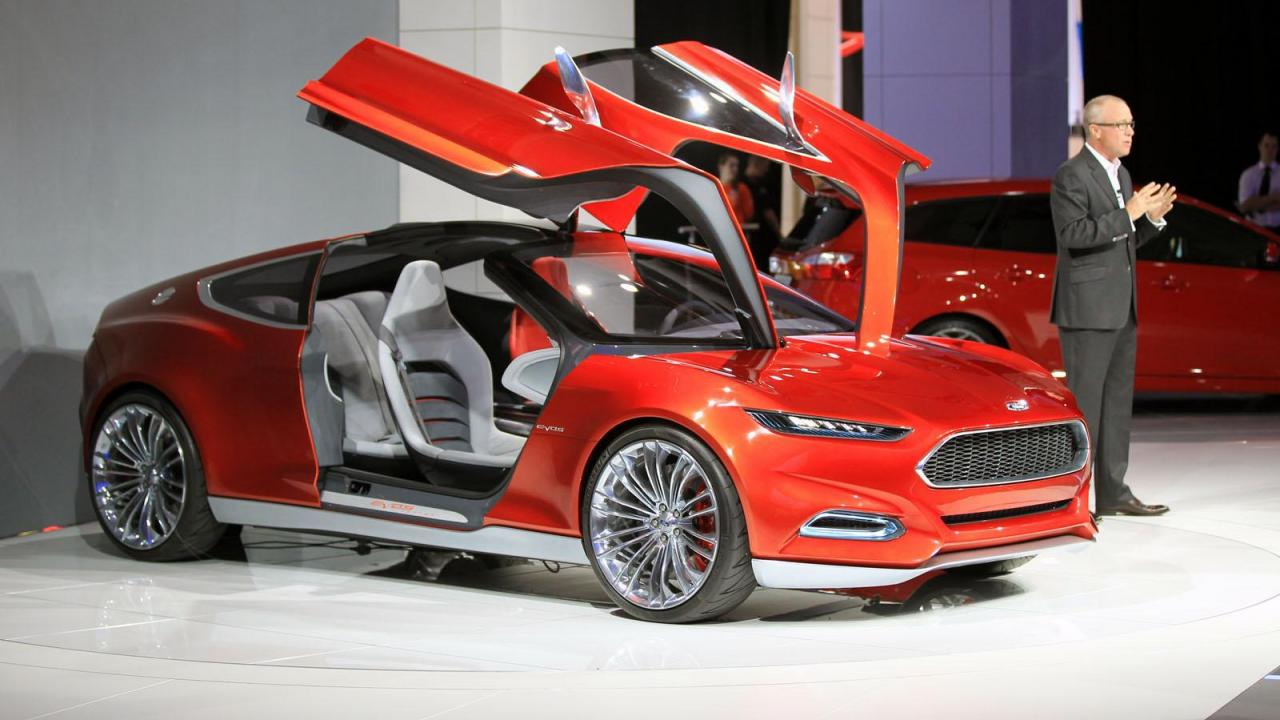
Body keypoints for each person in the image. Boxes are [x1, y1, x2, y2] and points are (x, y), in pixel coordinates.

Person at [1048, 94, 1176, 517]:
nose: (1129, 132)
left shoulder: (1121, 174)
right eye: (1122, 125)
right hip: (1087, 308)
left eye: (1131, 124)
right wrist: (1131, 211)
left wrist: (1150, 219)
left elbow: (1121, 243)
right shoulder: (1071, 175)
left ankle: (1114, 493)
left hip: (1121, 305)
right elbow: (1074, 235)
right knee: (1086, 405)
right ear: (1095, 129)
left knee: (1117, 404)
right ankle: (1076, 499)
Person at [742, 155, 782, 269]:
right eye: (766, 166)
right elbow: (768, 213)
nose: (767, 170)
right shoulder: (747, 186)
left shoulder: (745, 184)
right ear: (757, 164)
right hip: (757, 238)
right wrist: (780, 236)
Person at [1237, 132, 1280, 231]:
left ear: (1277, 149)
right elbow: (1245, 206)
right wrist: (1273, 197)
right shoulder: (1248, 174)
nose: (1270, 150)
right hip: (1252, 229)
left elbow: (1249, 205)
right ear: (1260, 146)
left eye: (1274, 146)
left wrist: (1256, 204)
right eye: (1266, 145)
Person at [716, 153, 754, 228]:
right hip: (718, 229)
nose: (735, 169)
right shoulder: (714, 188)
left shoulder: (742, 188)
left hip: (738, 230)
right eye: (731, 165)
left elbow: (749, 214)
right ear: (721, 166)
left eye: (737, 166)